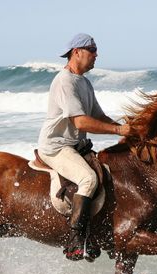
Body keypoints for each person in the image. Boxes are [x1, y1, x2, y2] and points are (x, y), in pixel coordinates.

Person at [37, 33, 132, 261]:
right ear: (76, 52)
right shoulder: (64, 81)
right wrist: (119, 132)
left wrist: (128, 129)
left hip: (77, 146)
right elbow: (80, 122)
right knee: (88, 179)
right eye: (92, 50)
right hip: (57, 146)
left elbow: (98, 116)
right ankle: (76, 239)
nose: (96, 54)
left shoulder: (84, 82)